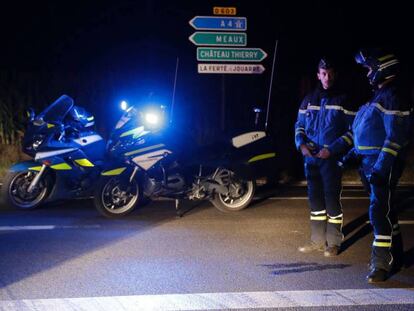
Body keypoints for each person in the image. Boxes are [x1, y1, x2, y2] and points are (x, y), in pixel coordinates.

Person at [349, 49, 412, 282]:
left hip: (381, 164)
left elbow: (394, 137)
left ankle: (381, 264)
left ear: (381, 68)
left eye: (368, 68)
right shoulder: (380, 95)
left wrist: (381, 168)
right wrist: (347, 155)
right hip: (369, 163)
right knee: (386, 210)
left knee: (377, 211)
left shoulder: (393, 96)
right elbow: (362, 132)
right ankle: (397, 254)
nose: (367, 73)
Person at [295, 58, 356, 257]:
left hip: (331, 159)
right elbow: (299, 126)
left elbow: (352, 133)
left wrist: (333, 150)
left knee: (332, 201)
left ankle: (334, 242)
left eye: (330, 73)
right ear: (318, 75)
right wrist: (301, 145)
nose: (327, 77)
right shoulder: (308, 100)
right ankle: (317, 241)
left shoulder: (344, 99)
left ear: (334, 74)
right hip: (311, 160)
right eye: (323, 73)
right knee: (315, 202)